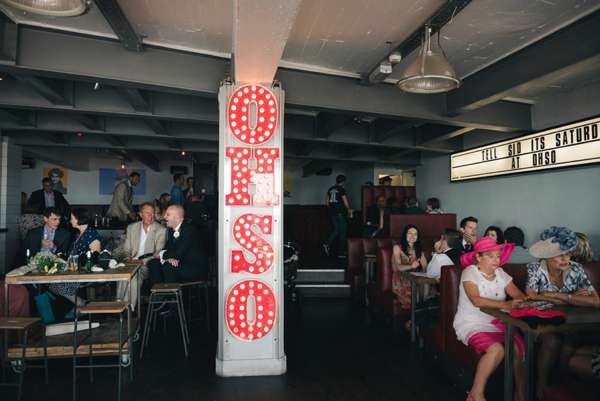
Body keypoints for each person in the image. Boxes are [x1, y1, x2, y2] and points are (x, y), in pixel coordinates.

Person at [525, 226, 600, 399]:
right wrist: (573, 298)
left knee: (569, 347)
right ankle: (541, 383)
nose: (565, 258)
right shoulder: (534, 268)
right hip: (541, 321)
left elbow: (596, 301)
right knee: (552, 341)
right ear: (547, 255)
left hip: (568, 322)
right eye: (560, 254)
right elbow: (531, 297)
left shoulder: (576, 269)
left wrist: (555, 296)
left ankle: (564, 390)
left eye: (567, 253)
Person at [453, 237, 526, 401]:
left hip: (498, 323)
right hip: (471, 323)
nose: (496, 260)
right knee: (497, 349)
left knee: (519, 347)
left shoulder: (501, 273)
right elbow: (476, 300)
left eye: (498, 255)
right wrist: (507, 305)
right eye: (491, 255)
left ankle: (521, 394)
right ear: (478, 257)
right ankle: (475, 393)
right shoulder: (470, 272)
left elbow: (519, 294)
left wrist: (523, 301)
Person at [148, 205, 207, 314]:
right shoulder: (171, 231)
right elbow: (170, 251)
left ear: (177, 217)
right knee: (153, 264)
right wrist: (168, 258)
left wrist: (161, 254)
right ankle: (163, 298)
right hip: (180, 264)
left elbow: (177, 253)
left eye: (168, 214)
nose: (165, 216)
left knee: (168, 267)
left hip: (194, 268)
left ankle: (172, 303)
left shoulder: (189, 230)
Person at [48, 208, 102, 319]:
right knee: (51, 283)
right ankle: (79, 302)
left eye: (72, 218)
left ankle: (79, 304)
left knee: (56, 284)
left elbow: (95, 259)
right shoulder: (79, 233)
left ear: (79, 219)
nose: (70, 221)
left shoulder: (92, 234)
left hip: (87, 274)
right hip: (76, 271)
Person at [116, 202, 167, 311]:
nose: (150, 216)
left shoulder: (161, 230)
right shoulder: (131, 227)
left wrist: (141, 262)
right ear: (140, 214)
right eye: (147, 213)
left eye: (152, 213)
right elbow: (127, 249)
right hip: (130, 261)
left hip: (147, 264)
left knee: (134, 275)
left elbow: (158, 253)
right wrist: (127, 259)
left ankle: (127, 308)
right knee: (123, 272)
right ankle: (119, 304)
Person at [391, 224, 428, 308]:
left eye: (415, 234)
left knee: (426, 284)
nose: (412, 236)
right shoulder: (397, 247)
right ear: (405, 235)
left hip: (415, 278)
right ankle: (416, 316)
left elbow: (426, 267)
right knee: (420, 293)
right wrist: (411, 266)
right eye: (410, 233)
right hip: (401, 279)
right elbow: (398, 267)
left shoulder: (419, 250)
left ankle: (418, 315)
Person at [323, 175, 353, 258]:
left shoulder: (330, 189)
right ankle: (341, 252)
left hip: (332, 213)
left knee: (336, 231)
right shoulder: (342, 189)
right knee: (343, 233)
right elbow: (345, 202)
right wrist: (348, 209)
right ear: (343, 181)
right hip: (340, 213)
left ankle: (326, 244)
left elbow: (327, 203)